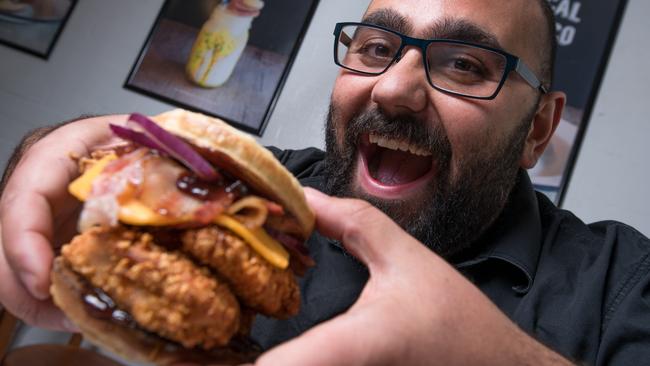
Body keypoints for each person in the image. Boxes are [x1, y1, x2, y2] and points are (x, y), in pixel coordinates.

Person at [1, 0, 649, 364]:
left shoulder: (625, 284)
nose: (393, 87)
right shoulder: (250, 194)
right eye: (374, 48)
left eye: (464, 64)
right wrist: (49, 152)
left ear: (538, 127)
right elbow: (96, 172)